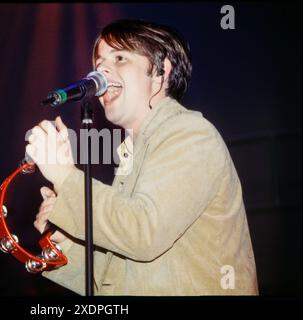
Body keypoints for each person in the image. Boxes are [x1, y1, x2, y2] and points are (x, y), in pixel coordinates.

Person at [25, 19, 258, 295]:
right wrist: (65, 241)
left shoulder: (191, 134)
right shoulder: (131, 157)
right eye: (98, 64)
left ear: (161, 72)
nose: (100, 71)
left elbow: (144, 232)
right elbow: (119, 278)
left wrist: (66, 177)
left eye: (120, 57)